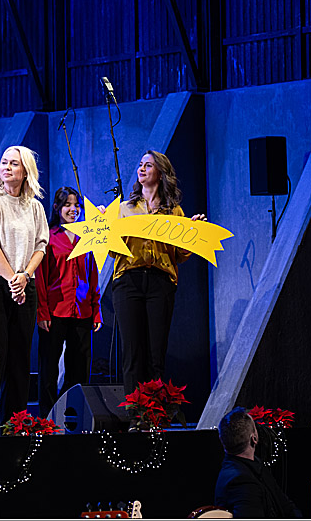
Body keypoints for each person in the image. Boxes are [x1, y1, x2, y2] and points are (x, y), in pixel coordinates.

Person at [112, 150, 205, 429]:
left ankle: (154, 414)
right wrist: (105, 225)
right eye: (139, 164)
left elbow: (179, 254)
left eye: (148, 165)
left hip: (160, 282)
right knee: (133, 351)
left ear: (160, 173)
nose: (141, 169)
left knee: (155, 352)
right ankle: (135, 415)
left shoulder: (173, 211)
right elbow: (109, 247)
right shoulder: (124, 207)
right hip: (128, 280)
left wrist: (193, 233)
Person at [0, 146, 48, 437]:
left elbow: (41, 245)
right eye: (4, 162)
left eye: (14, 164)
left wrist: (24, 276)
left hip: (25, 283)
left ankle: (13, 428)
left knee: (19, 358)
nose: (7, 168)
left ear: (25, 170)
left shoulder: (35, 206)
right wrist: (12, 280)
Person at [35, 187, 101, 416]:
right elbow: (40, 279)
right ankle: (47, 416)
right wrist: (42, 312)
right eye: (67, 205)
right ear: (57, 208)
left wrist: (96, 310)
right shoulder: (49, 238)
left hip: (82, 310)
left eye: (76, 205)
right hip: (55, 310)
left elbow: (93, 275)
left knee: (79, 367)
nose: (73, 210)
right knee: (49, 366)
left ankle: (72, 413)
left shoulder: (86, 238)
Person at [214, 407, 302, 518]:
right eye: (255, 428)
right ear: (254, 438)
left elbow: (286, 506)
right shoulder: (240, 481)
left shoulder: (256, 465)